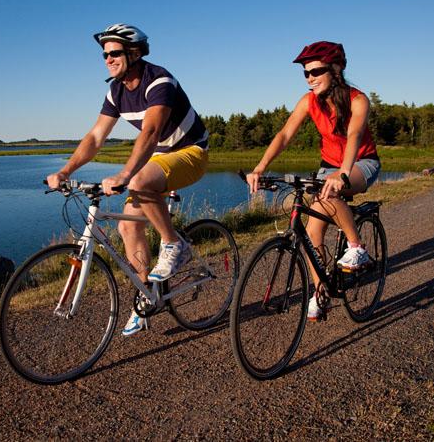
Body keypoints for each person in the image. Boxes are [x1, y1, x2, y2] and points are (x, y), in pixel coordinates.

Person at [46, 23, 209, 336]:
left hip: (191, 152)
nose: (108, 59)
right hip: (160, 158)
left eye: (115, 53)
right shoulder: (116, 91)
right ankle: (147, 297)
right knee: (127, 225)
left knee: (138, 182)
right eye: (104, 54)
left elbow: (150, 133)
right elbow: (96, 136)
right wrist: (66, 171)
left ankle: (175, 244)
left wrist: (124, 174)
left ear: (134, 53)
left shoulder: (158, 80)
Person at [246, 40, 381, 321]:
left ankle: (357, 248)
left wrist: (343, 173)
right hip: (328, 165)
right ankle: (321, 291)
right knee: (312, 232)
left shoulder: (358, 100)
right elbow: (284, 135)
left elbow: (354, 136)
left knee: (328, 194)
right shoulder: (308, 101)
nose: (310, 78)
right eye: (306, 73)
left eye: (316, 71)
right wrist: (259, 167)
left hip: (359, 162)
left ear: (336, 69)